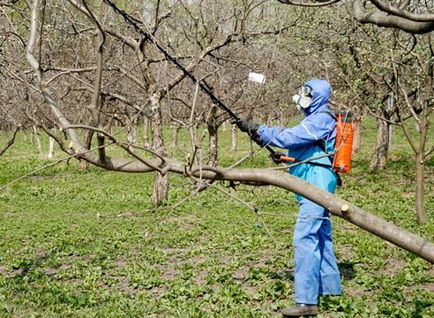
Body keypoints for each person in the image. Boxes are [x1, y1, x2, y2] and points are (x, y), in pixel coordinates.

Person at [236, 79, 342, 317]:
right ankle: (330, 289)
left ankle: (306, 302)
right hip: (315, 180)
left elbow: (292, 138)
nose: (302, 97)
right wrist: (284, 158)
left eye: (307, 93)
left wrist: (260, 130)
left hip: (316, 184)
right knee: (321, 234)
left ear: (318, 97)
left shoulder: (321, 118)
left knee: (305, 236)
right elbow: (309, 151)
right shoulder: (314, 119)